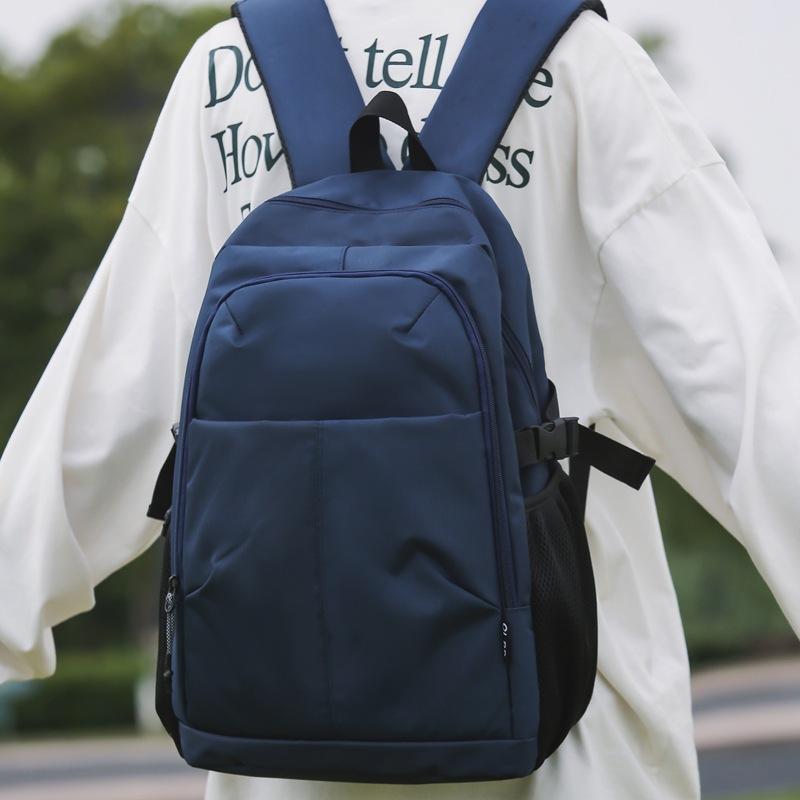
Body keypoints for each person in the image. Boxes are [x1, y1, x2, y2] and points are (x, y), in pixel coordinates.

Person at [1, 0, 799, 797]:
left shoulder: (226, 72)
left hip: (282, 738)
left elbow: (107, 406)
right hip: (571, 730)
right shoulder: (582, 61)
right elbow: (755, 387)